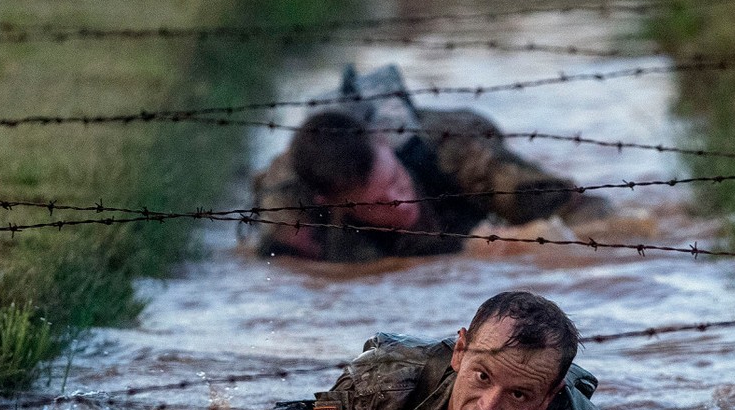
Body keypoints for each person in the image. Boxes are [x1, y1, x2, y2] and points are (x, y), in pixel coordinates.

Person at [240, 291, 628, 410]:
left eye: (519, 394)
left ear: (548, 396)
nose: (488, 409)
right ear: (460, 352)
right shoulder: (386, 383)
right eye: (482, 376)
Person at [251, 64, 610, 262]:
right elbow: (281, 275)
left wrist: (531, 242)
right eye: (380, 203)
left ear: (384, 144)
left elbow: (586, 210)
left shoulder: (460, 153)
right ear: (328, 203)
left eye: (396, 181)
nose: (401, 203)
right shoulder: (290, 205)